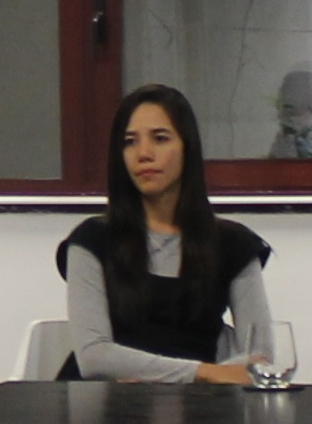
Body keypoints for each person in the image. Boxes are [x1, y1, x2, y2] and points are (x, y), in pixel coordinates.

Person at [58, 85, 275, 383]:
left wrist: (156, 379)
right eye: (130, 142)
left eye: (160, 139)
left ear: (188, 146)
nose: (144, 154)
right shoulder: (92, 240)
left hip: (199, 410)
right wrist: (203, 372)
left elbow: (259, 355)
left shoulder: (233, 245)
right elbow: (95, 358)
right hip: (104, 411)